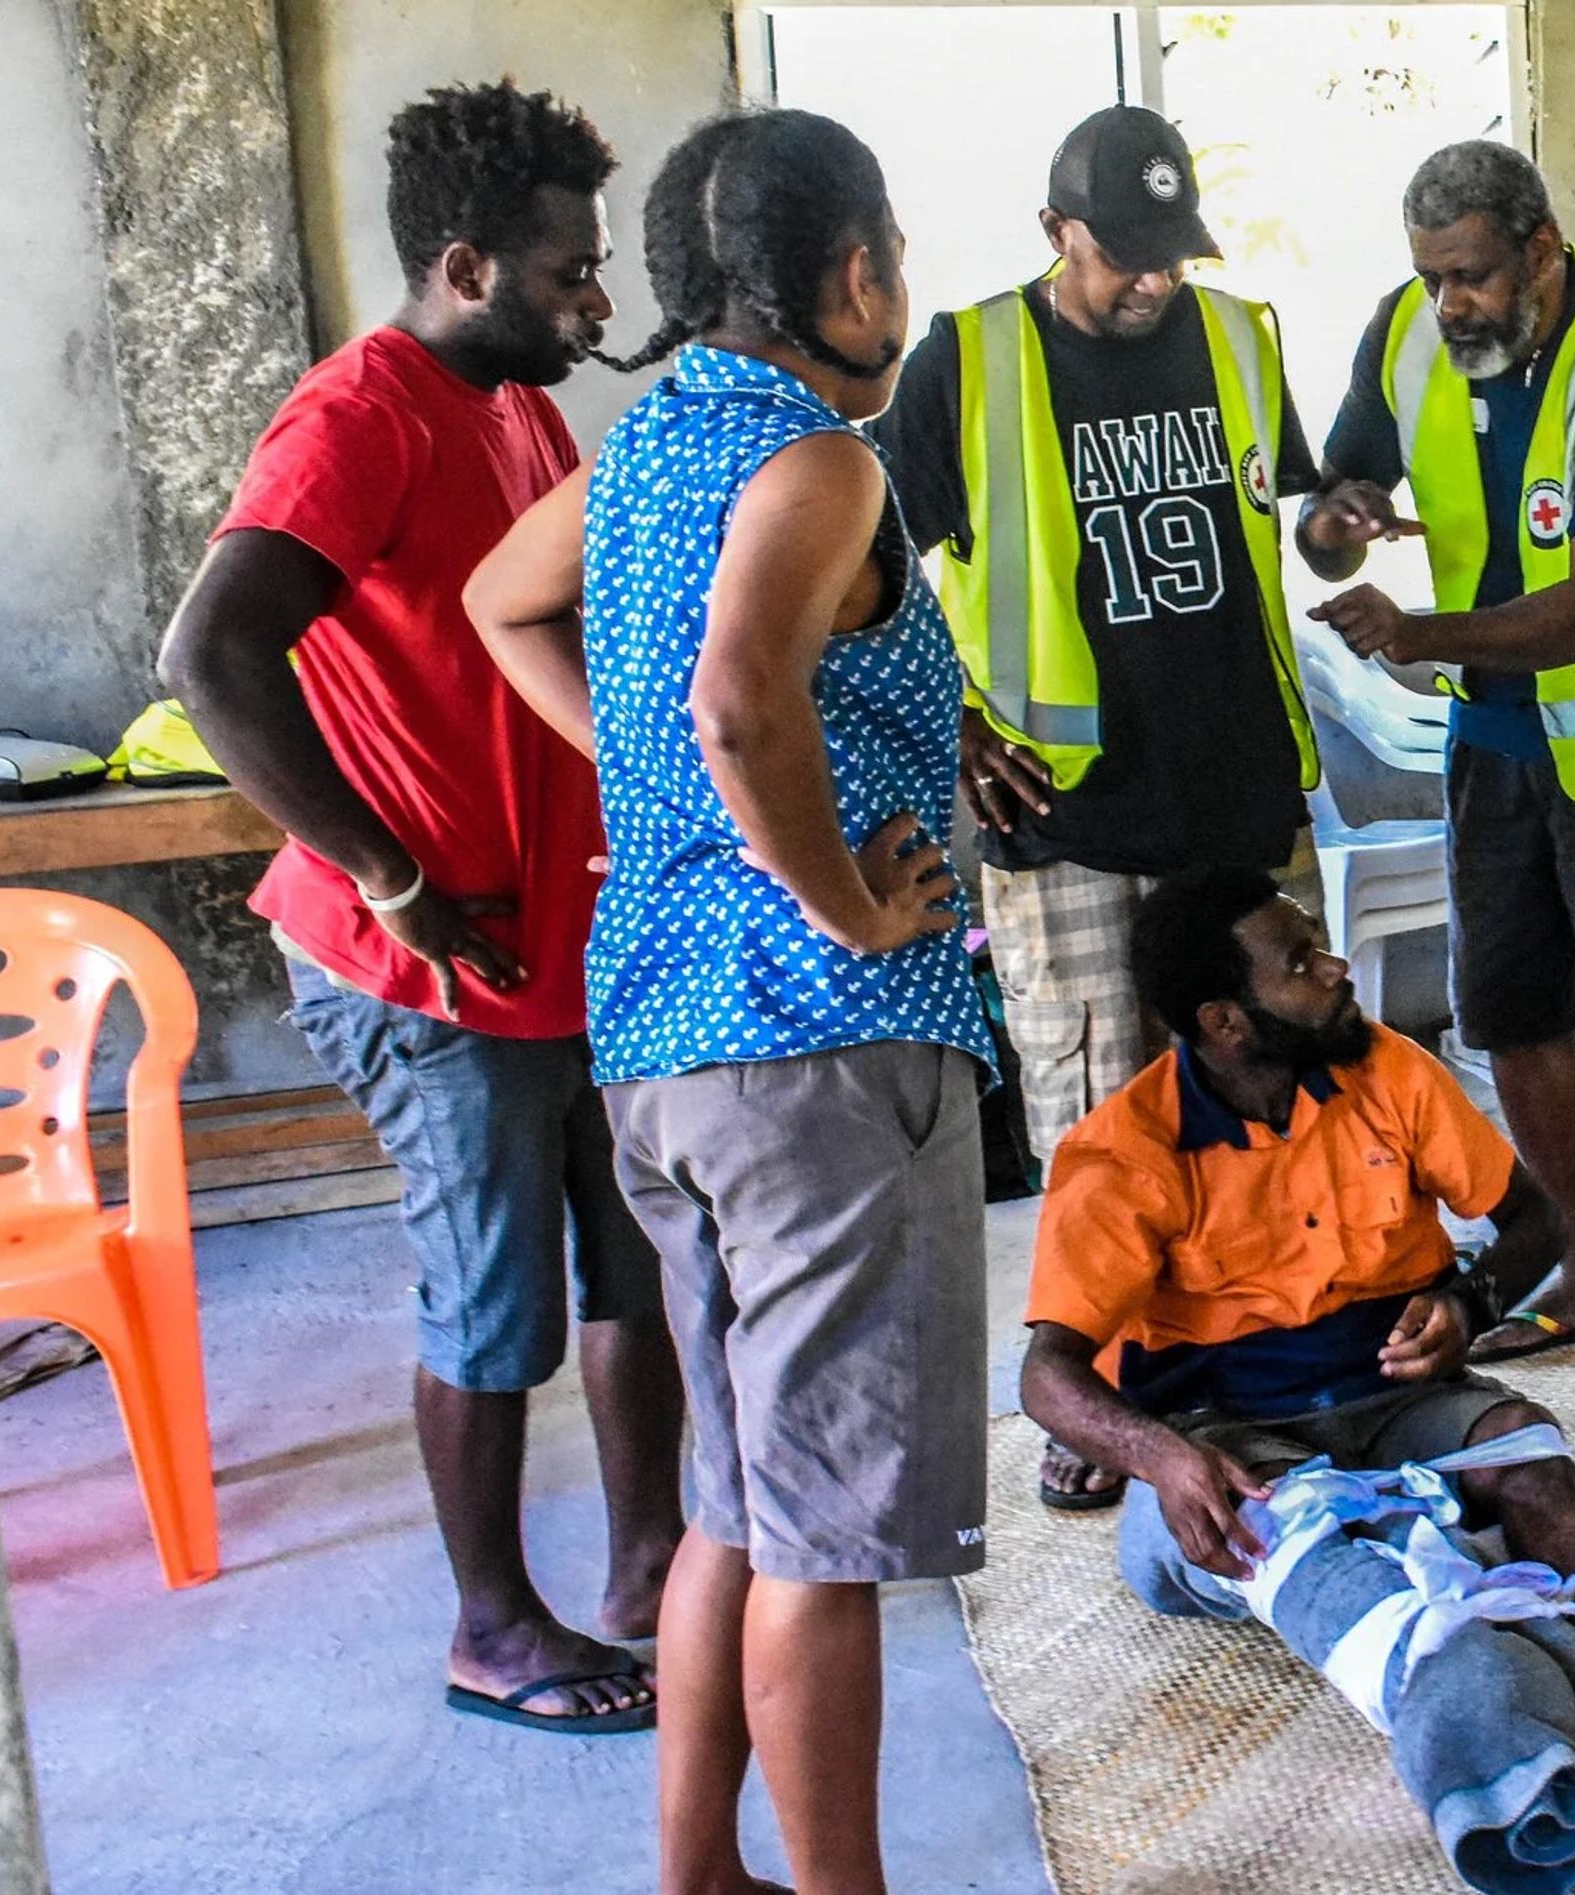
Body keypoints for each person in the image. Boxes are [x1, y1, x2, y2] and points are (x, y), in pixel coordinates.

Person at [465, 108, 985, 1895]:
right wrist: (841, 899)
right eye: (896, 255)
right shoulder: (828, 468)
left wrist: (677, 813)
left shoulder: (642, 450)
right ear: (852, 276)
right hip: (820, 1058)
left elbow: (499, 606)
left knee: (735, 1511)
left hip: (664, 1055)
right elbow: (743, 706)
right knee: (827, 1543)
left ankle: (699, 1876)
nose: (901, 289)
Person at [157, 79, 678, 1738]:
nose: (594, 305)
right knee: (495, 1294)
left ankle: (649, 1557)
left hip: (560, 942)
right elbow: (213, 657)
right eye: (566, 273)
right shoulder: (358, 417)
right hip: (425, 967)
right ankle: (492, 1625)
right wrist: (391, 873)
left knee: (635, 1259)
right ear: (464, 265)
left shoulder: (515, 404)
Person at [1019, 867, 1575, 1878]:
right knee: (1413, 1612)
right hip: (1231, 1438)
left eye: (1321, 944)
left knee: (1530, 1455)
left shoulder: (1388, 1068)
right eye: (1300, 963)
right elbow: (1048, 1375)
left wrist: (1468, 1303)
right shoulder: (1123, 1151)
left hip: (1405, 1400)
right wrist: (1157, 1456)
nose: (1337, 968)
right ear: (1227, 1021)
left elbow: (1534, 1221)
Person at [874, 104, 1326, 1516]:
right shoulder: (970, 356)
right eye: (1120, 254)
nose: (1150, 281)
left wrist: (1340, 527)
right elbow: (852, 562)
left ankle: (1274, 1350)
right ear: (1054, 230)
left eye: (1169, 253)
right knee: (1096, 1121)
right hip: (1066, 812)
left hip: (1238, 789)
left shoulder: (1244, 338)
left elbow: (1288, 519)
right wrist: (946, 724)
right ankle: (1099, 1399)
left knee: (1276, 1100)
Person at [1299, 141, 1575, 1439]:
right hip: (1498, 739)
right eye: (1432, 277)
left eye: (1475, 276)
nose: (1452, 305)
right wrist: (1337, 519)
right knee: (1507, 1012)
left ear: (1541, 250)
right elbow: (1345, 483)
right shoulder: (1408, 330)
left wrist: (1419, 634)